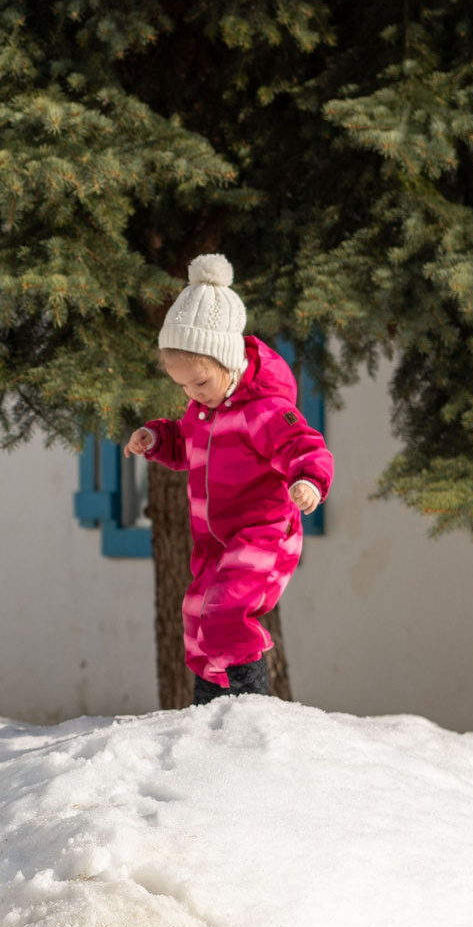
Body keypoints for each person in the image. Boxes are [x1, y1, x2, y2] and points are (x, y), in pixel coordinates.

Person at [124, 255, 333, 703]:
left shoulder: (265, 410)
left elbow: (304, 445)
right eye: (183, 387)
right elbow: (186, 444)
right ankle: (211, 708)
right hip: (214, 541)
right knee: (196, 615)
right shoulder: (204, 411)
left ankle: (249, 704)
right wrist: (156, 438)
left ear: (228, 361)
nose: (192, 395)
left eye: (199, 383)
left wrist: (308, 481)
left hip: (262, 534)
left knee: (225, 612)